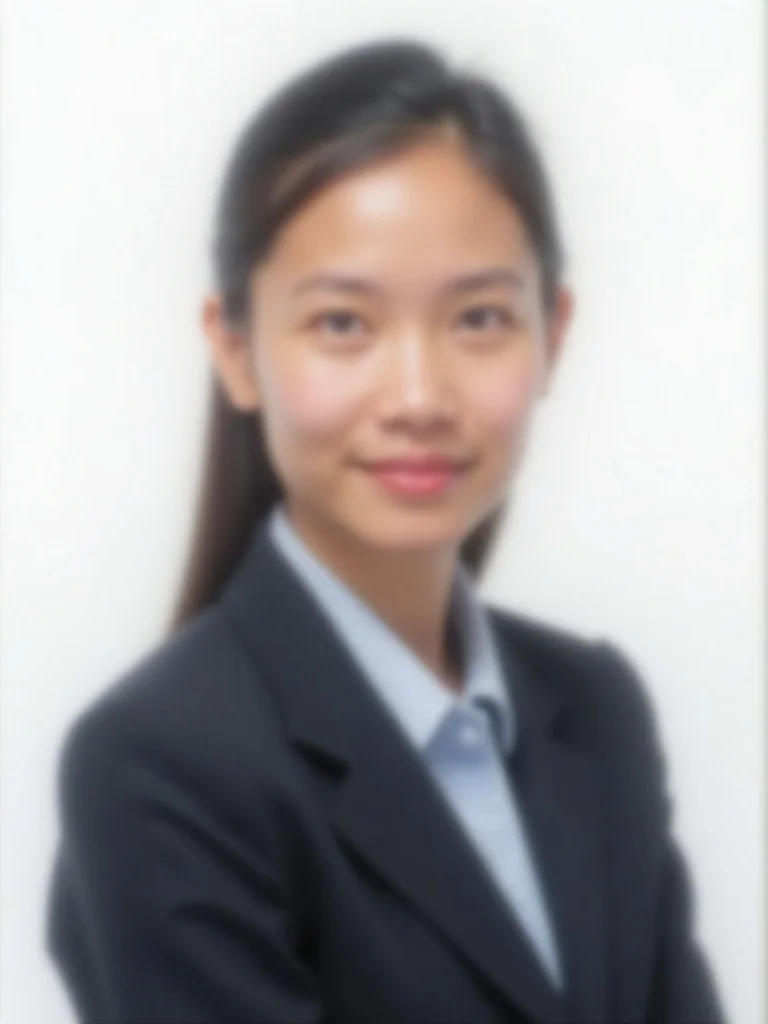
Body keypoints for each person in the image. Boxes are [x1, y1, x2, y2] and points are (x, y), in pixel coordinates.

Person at [46, 38, 725, 1024]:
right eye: (343, 324)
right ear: (234, 350)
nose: (418, 396)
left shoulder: (595, 712)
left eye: (480, 317)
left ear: (554, 335)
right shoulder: (159, 765)